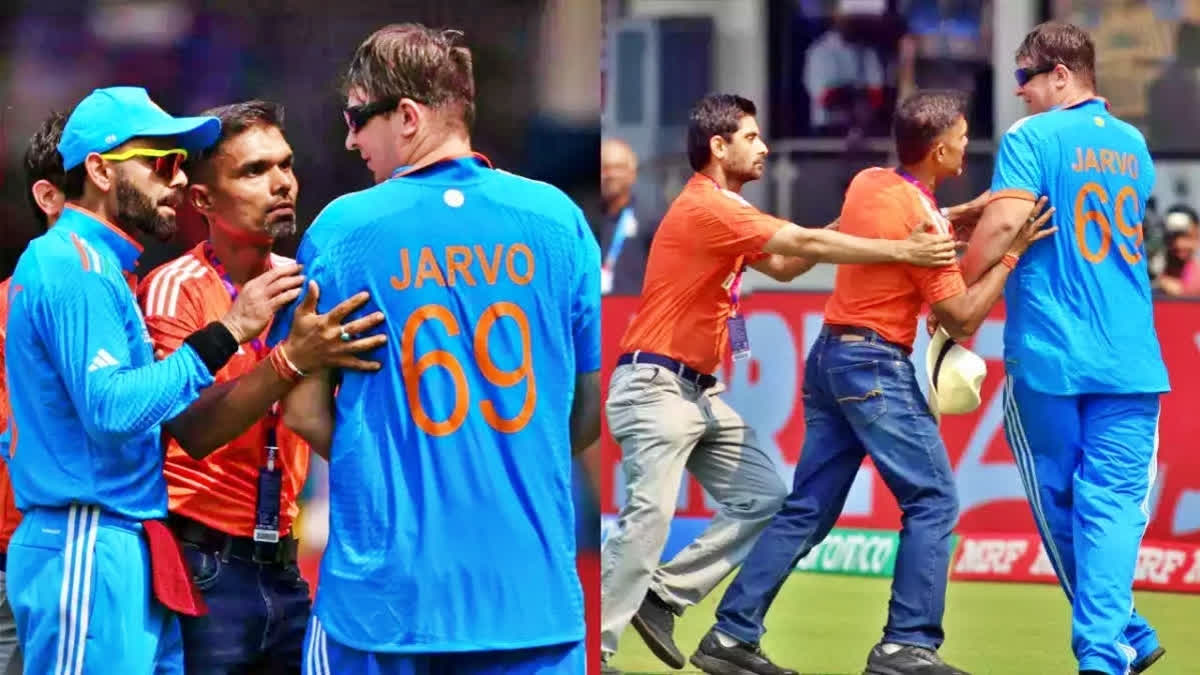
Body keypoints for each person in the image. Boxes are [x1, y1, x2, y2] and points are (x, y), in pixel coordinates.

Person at [2, 86, 382, 674]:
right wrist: (236, 336)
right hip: (98, 536)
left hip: (147, 544)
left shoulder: (104, 266)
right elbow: (113, 411)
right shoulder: (76, 264)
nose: (174, 182)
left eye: (286, 165)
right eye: (160, 164)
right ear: (101, 171)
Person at [269, 24, 601, 674]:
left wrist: (395, 451)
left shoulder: (345, 231)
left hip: (388, 607)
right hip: (531, 601)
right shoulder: (558, 220)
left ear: (409, 116)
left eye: (358, 117)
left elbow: (304, 414)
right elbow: (587, 412)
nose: (349, 139)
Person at [687, 90, 1053, 675]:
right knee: (932, 500)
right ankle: (905, 645)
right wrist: (1009, 256)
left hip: (830, 358)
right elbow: (958, 318)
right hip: (875, 368)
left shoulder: (868, 182)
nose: (966, 143)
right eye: (961, 135)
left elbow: (897, 226)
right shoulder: (923, 220)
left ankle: (731, 635)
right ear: (938, 148)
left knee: (807, 508)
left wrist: (951, 215)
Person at [600, 92, 962, 674]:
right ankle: (597, 651)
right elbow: (807, 246)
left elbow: (792, 265)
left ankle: (664, 596)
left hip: (696, 392)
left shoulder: (725, 213)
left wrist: (917, 219)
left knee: (765, 498)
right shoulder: (711, 208)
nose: (765, 147)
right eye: (751, 137)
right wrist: (903, 247)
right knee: (648, 518)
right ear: (719, 148)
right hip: (656, 384)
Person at [959, 22, 1169, 675]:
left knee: (1060, 505)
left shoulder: (1031, 137)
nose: (1017, 91)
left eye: (1025, 76)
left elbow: (1003, 225)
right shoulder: (1135, 146)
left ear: (1060, 74)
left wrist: (951, 305)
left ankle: (1111, 640)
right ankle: (1111, 645)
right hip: (1132, 357)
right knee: (1108, 510)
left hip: (1052, 352)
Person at [136, 100, 353, 673]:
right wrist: (289, 360)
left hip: (286, 567)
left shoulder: (311, 286)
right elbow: (193, 429)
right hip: (200, 567)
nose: (281, 183)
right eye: (254, 171)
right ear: (203, 200)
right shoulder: (173, 288)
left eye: (285, 164)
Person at [0, 109, 70, 675]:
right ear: (48, 196)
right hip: (13, 567)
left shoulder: (145, 303)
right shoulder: (5, 306)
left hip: (110, 559)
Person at [596, 137, 657, 295]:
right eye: (604, 168)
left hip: (631, 313)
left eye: (618, 167)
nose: (610, 174)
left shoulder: (650, 220)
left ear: (632, 174)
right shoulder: (586, 220)